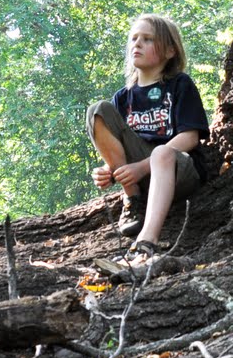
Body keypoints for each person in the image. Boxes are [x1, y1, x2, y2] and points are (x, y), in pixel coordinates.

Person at [85, 14, 210, 259]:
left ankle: (147, 241)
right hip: (140, 175)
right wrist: (109, 170)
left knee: (161, 152)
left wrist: (143, 167)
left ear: (170, 51)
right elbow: (117, 145)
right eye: (133, 38)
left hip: (177, 171)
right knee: (97, 111)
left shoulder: (180, 85)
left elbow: (190, 137)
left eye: (147, 39)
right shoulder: (123, 97)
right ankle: (133, 200)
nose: (137, 44)